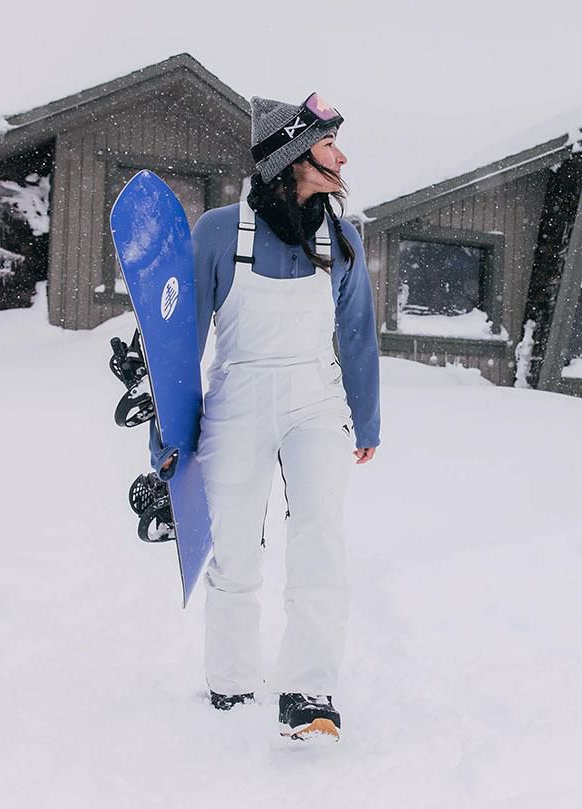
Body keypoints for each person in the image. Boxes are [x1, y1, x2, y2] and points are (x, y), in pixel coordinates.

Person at [149, 92, 381, 741]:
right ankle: (230, 680)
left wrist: (366, 420)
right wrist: (166, 440)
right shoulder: (219, 232)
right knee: (234, 548)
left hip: (316, 399)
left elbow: (357, 333)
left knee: (320, 535)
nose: (342, 156)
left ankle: (308, 689)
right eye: (328, 143)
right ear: (292, 156)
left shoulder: (341, 237)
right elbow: (183, 343)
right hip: (239, 397)